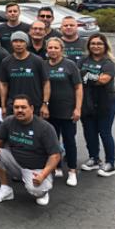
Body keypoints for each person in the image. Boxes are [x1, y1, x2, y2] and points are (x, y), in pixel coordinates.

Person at [0, 95, 61, 206]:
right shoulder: (9, 121)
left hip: (37, 168)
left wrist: (43, 174)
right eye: (16, 107)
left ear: (31, 109)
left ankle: (44, 192)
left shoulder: (45, 128)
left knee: (36, 191)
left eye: (23, 107)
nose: (20, 110)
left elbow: (55, 155)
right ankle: (5, 189)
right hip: (16, 162)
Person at [45, 38, 82, 186]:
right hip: (50, 111)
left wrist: (78, 108)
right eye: (50, 47)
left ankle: (72, 170)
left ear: (61, 49)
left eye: (56, 47)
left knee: (69, 141)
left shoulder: (70, 65)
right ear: (47, 49)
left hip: (67, 111)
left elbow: (78, 88)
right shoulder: (43, 65)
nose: (53, 50)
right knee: (53, 141)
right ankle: (57, 166)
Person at [79, 33, 115, 177]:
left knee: (104, 132)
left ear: (105, 46)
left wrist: (87, 76)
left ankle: (110, 163)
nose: (96, 46)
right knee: (89, 131)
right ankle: (94, 159)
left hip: (106, 101)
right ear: (89, 45)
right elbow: (77, 76)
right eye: (93, 43)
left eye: (99, 44)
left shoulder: (109, 63)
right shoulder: (83, 59)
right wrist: (89, 76)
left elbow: (104, 80)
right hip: (87, 99)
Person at [0, 31, 50, 117]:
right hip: (13, 106)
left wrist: (45, 104)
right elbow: (3, 84)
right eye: (15, 41)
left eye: (22, 41)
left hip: (34, 105)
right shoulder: (6, 62)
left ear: (27, 43)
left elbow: (46, 83)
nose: (18, 44)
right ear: (11, 43)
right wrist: (3, 106)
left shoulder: (38, 61)